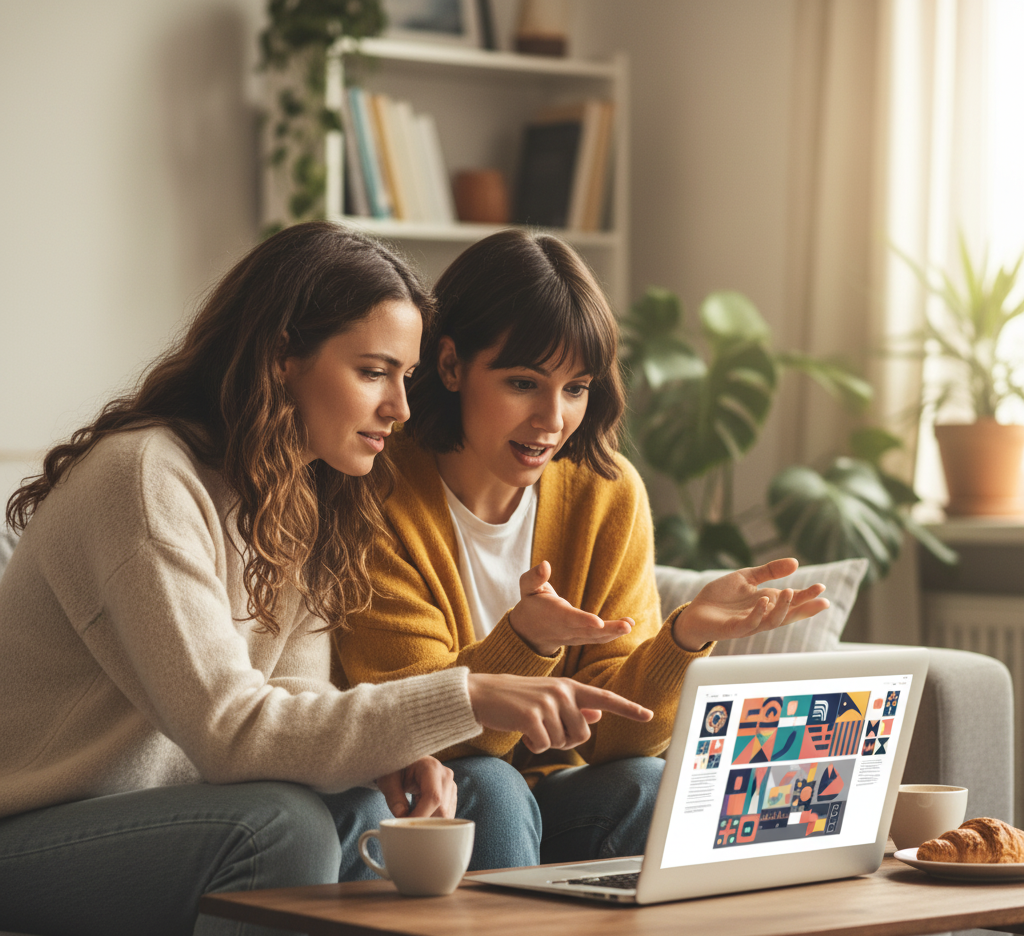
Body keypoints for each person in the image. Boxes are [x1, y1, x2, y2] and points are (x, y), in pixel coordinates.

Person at [0, 222, 653, 936]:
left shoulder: (296, 496)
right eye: (374, 372)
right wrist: (469, 693)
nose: (401, 407)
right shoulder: (147, 480)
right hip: (42, 828)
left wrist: (384, 763)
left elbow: (301, 697)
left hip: (180, 815)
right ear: (283, 359)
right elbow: (230, 730)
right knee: (284, 829)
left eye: (406, 378)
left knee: (372, 811)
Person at [332, 229, 830, 866]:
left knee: (646, 786)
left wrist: (682, 640)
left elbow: (623, 743)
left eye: (576, 388)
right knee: (494, 784)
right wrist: (528, 643)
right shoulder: (374, 490)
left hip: (553, 792)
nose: (552, 419)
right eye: (523, 383)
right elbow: (418, 720)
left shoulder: (608, 493)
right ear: (451, 365)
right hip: (432, 790)